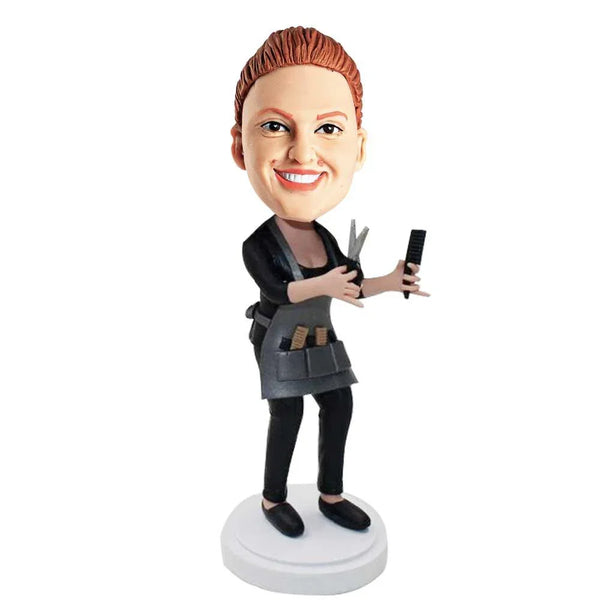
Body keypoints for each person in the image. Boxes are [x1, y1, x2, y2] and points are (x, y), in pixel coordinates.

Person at [230, 26, 429, 538]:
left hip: (321, 337)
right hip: (280, 339)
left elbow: (350, 285)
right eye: (275, 126)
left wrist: (392, 280)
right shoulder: (259, 244)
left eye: (328, 129)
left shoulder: (324, 237)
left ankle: (331, 493)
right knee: (288, 414)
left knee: (339, 404)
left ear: (358, 149)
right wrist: (327, 286)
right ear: (240, 146)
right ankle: (273, 499)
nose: (302, 154)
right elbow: (281, 292)